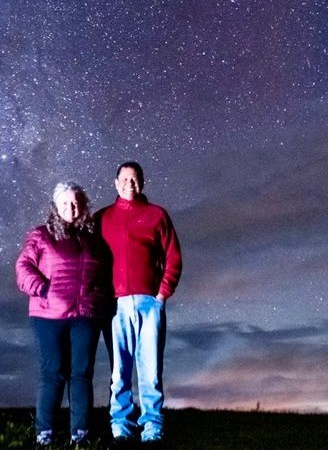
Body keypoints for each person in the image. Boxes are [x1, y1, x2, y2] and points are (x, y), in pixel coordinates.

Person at [16, 182, 112, 447]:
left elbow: (104, 274)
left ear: (84, 205)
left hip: (85, 316)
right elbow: (23, 267)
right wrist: (44, 289)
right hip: (48, 316)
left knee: (81, 374)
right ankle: (44, 433)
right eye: (66, 203)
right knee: (53, 373)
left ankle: (80, 433)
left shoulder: (94, 238)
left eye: (77, 202)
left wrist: (100, 302)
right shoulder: (41, 235)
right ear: (56, 207)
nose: (72, 208)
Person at [96, 161, 182, 444]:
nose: (128, 184)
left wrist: (161, 294)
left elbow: (173, 256)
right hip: (115, 305)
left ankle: (152, 428)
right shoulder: (102, 218)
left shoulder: (157, 215)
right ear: (115, 182)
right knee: (119, 370)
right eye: (124, 179)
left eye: (134, 180)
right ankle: (121, 426)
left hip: (149, 302)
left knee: (150, 368)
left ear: (142, 183)